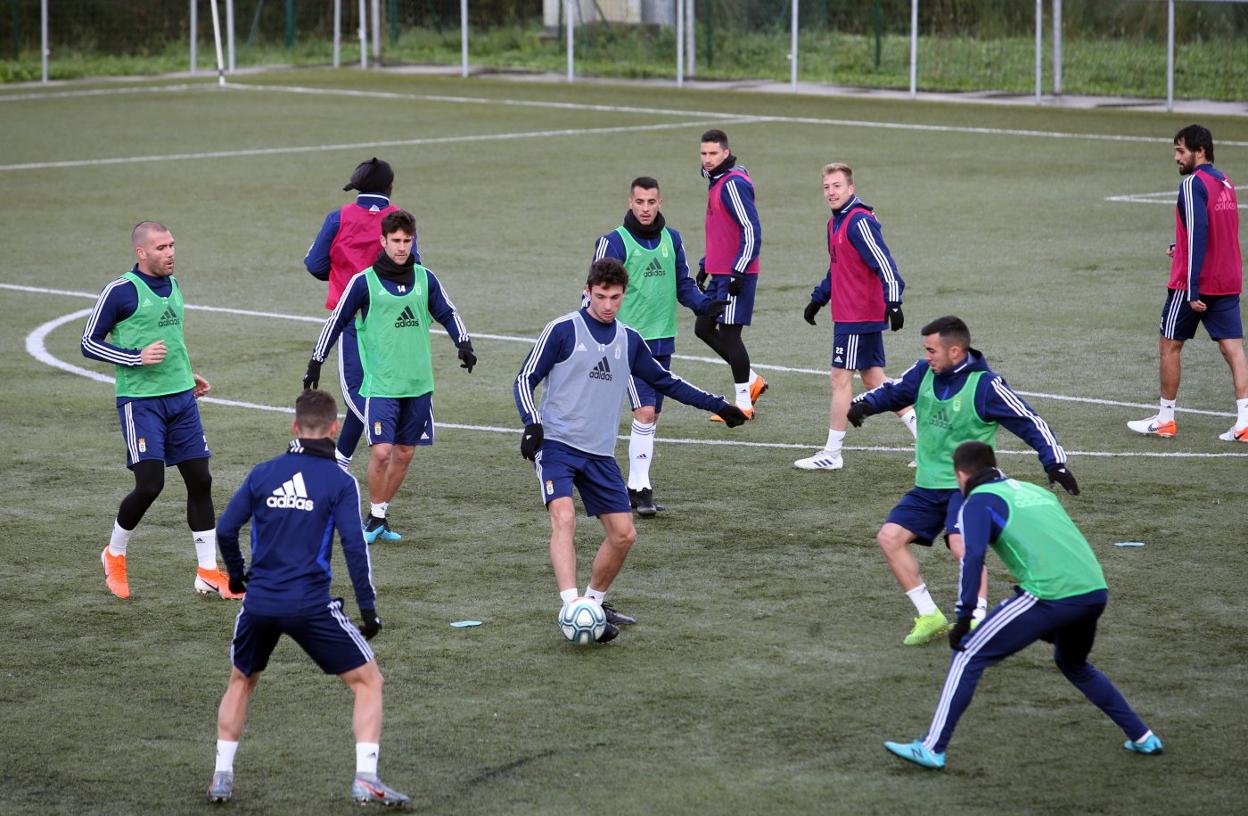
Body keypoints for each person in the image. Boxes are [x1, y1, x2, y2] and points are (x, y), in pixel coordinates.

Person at [883, 440, 1163, 769]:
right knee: (1074, 664)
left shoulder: (977, 501)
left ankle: (931, 748)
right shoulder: (1035, 491)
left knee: (968, 653)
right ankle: (1143, 737)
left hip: (1049, 595)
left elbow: (972, 559)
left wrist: (964, 617)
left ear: (961, 475)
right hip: (1093, 590)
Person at [514, 258, 747, 642]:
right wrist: (531, 423)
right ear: (588, 291)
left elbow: (666, 381)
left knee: (624, 535)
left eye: (615, 297)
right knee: (565, 518)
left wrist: (719, 405)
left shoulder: (629, 340)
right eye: (601, 296)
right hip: (557, 444)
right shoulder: (563, 330)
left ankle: (593, 603)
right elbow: (526, 377)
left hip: (600, 453)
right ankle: (572, 606)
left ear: (624, 296)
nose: (607, 304)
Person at [206, 390, 409, 806]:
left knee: (241, 680)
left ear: (295, 428)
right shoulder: (339, 481)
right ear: (335, 428)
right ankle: (366, 777)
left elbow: (226, 530)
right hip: (310, 605)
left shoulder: (263, 472)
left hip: (259, 602)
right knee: (369, 681)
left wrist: (240, 579)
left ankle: (221, 776)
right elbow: (355, 548)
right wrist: (368, 610)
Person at [848, 316, 1079, 646]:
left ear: (955, 351)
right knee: (889, 538)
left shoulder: (986, 386)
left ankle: (977, 620)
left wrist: (1054, 463)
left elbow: (1030, 422)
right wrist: (867, 405)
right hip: (928, 485)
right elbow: (895, 392)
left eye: (932, 350)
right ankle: (930, 615)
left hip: (969, 488)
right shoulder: (923, 372)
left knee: (963, 546)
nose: (927, 356)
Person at [80, 221, 240, 601]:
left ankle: (206, 571)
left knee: (200, 481)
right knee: (150, 484)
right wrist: (135, 358)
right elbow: (89, 342)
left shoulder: (173, 284)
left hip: (181, 397)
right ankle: (114, 554)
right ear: (142, 253)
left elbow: (171, 339)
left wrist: (187, 374)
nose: (170, 253)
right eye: (161, 248)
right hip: (141, 402)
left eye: (172, 245)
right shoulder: (121, 291)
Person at [305, 209, 475, 545]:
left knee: (405, 453)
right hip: (381, 385)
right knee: (381, 452)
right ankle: (373, 516)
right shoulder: (364, 282)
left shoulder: (426, 279)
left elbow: (448, 312)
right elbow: (336, 321)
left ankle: (378, 515)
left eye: (407, 241)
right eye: (395, 241)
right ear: (382, 241)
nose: (401, 247)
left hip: (418, 384)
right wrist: (316, 360)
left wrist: (463, 343)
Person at [591, 175, 728, 516]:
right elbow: (594, 292)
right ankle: (640, 490)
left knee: (652, 418)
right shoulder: (614, 242)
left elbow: (683, 284)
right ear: (630, 202)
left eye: (652, 202)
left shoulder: (672, 239)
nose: (646, 208)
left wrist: (704, 305)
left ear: (660, 202)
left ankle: (636, 487)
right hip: (628, 344)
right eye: (640, 202)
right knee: (645, 412)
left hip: (664, 340)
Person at [1128, 124, 1248, 442]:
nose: (1177, 158)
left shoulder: (1193, 184)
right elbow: (1213, 231)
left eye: (1181, 151)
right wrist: (1178, 247)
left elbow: (1199, 232)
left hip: (1192, 283)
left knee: (1170, 344)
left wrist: (1192, 287)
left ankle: (1165, 419)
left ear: (1200, 151)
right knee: (1233, 349)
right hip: (1228, 277)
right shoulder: (1225, 182)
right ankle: (1245, 422)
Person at [796, 162, 917, 471]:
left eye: (837, 186)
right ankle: (931, 442)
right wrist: (818, 298)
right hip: (850, 311)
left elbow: (885, 263)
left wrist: (893, 301)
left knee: (840, 379)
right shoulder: (834, 223)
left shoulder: (858, 221)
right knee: (874, 379)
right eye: (826, 187)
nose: (831, 192)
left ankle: (832, 453)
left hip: (857, 314)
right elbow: (838, 267)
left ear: (851, 188)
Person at [303, 157, 415, 484]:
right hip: (392, 318)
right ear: (389, 187)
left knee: (359, 390)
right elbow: (413, 264)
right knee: (376, 386)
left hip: (352, 317)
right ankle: (340, 461)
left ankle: (349, 457)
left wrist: (340, 275)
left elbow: (314, 263)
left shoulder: (338, 217)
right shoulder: (399, 219)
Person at [695, 128, 768, 420]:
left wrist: (738, 271)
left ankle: (742, 404)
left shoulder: (732, 184)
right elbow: (722, 231)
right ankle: (752, 381)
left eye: (713, 153)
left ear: (725, 153)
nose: (708, 159)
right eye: (704, 153)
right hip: (720, 272)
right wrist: (706, 263)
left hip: (736, 274)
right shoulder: (716, 181)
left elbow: (751, 230)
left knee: (729, 333)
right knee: (702, 327)